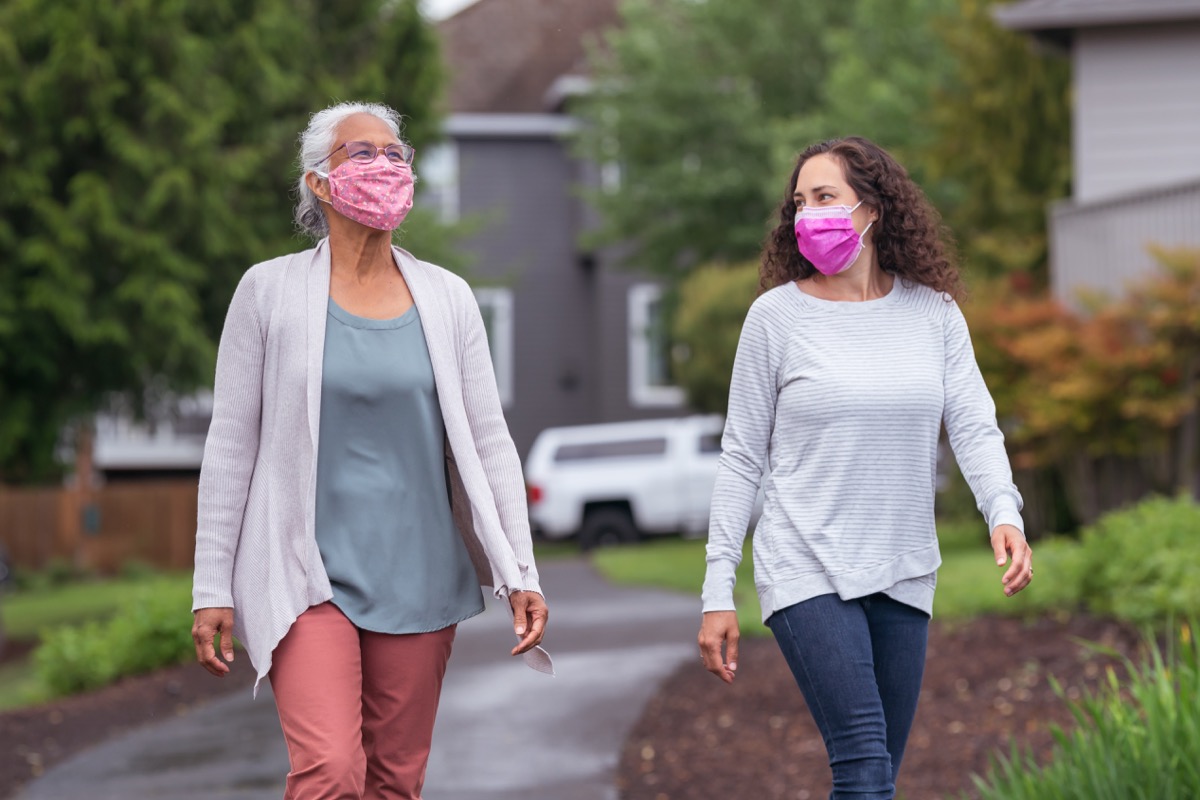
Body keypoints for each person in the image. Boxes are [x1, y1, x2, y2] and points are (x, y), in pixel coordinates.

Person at [190, 101, 551, 800]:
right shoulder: (268, 293)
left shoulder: (448, 298)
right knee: (330, 769)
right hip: (306, 576)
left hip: (420, 576)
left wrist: (522, 570)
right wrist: (212, 586)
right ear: (319, 183)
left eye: (396, 154)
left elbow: (489, 442)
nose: (385, 166)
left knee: (393, 782)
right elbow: (230, 443)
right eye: (363, 153)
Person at [697, 136, 1032, 799]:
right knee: (863, 764)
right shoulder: (775, 320)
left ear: (873, 209)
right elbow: (741, 459)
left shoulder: (933, 314)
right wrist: (716, 591)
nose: (807, 215)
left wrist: (1003, 510)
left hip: (905, 565)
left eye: (826, 198)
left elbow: (972, 422)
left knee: (880, 770)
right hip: (804, 562)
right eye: (799, 202)